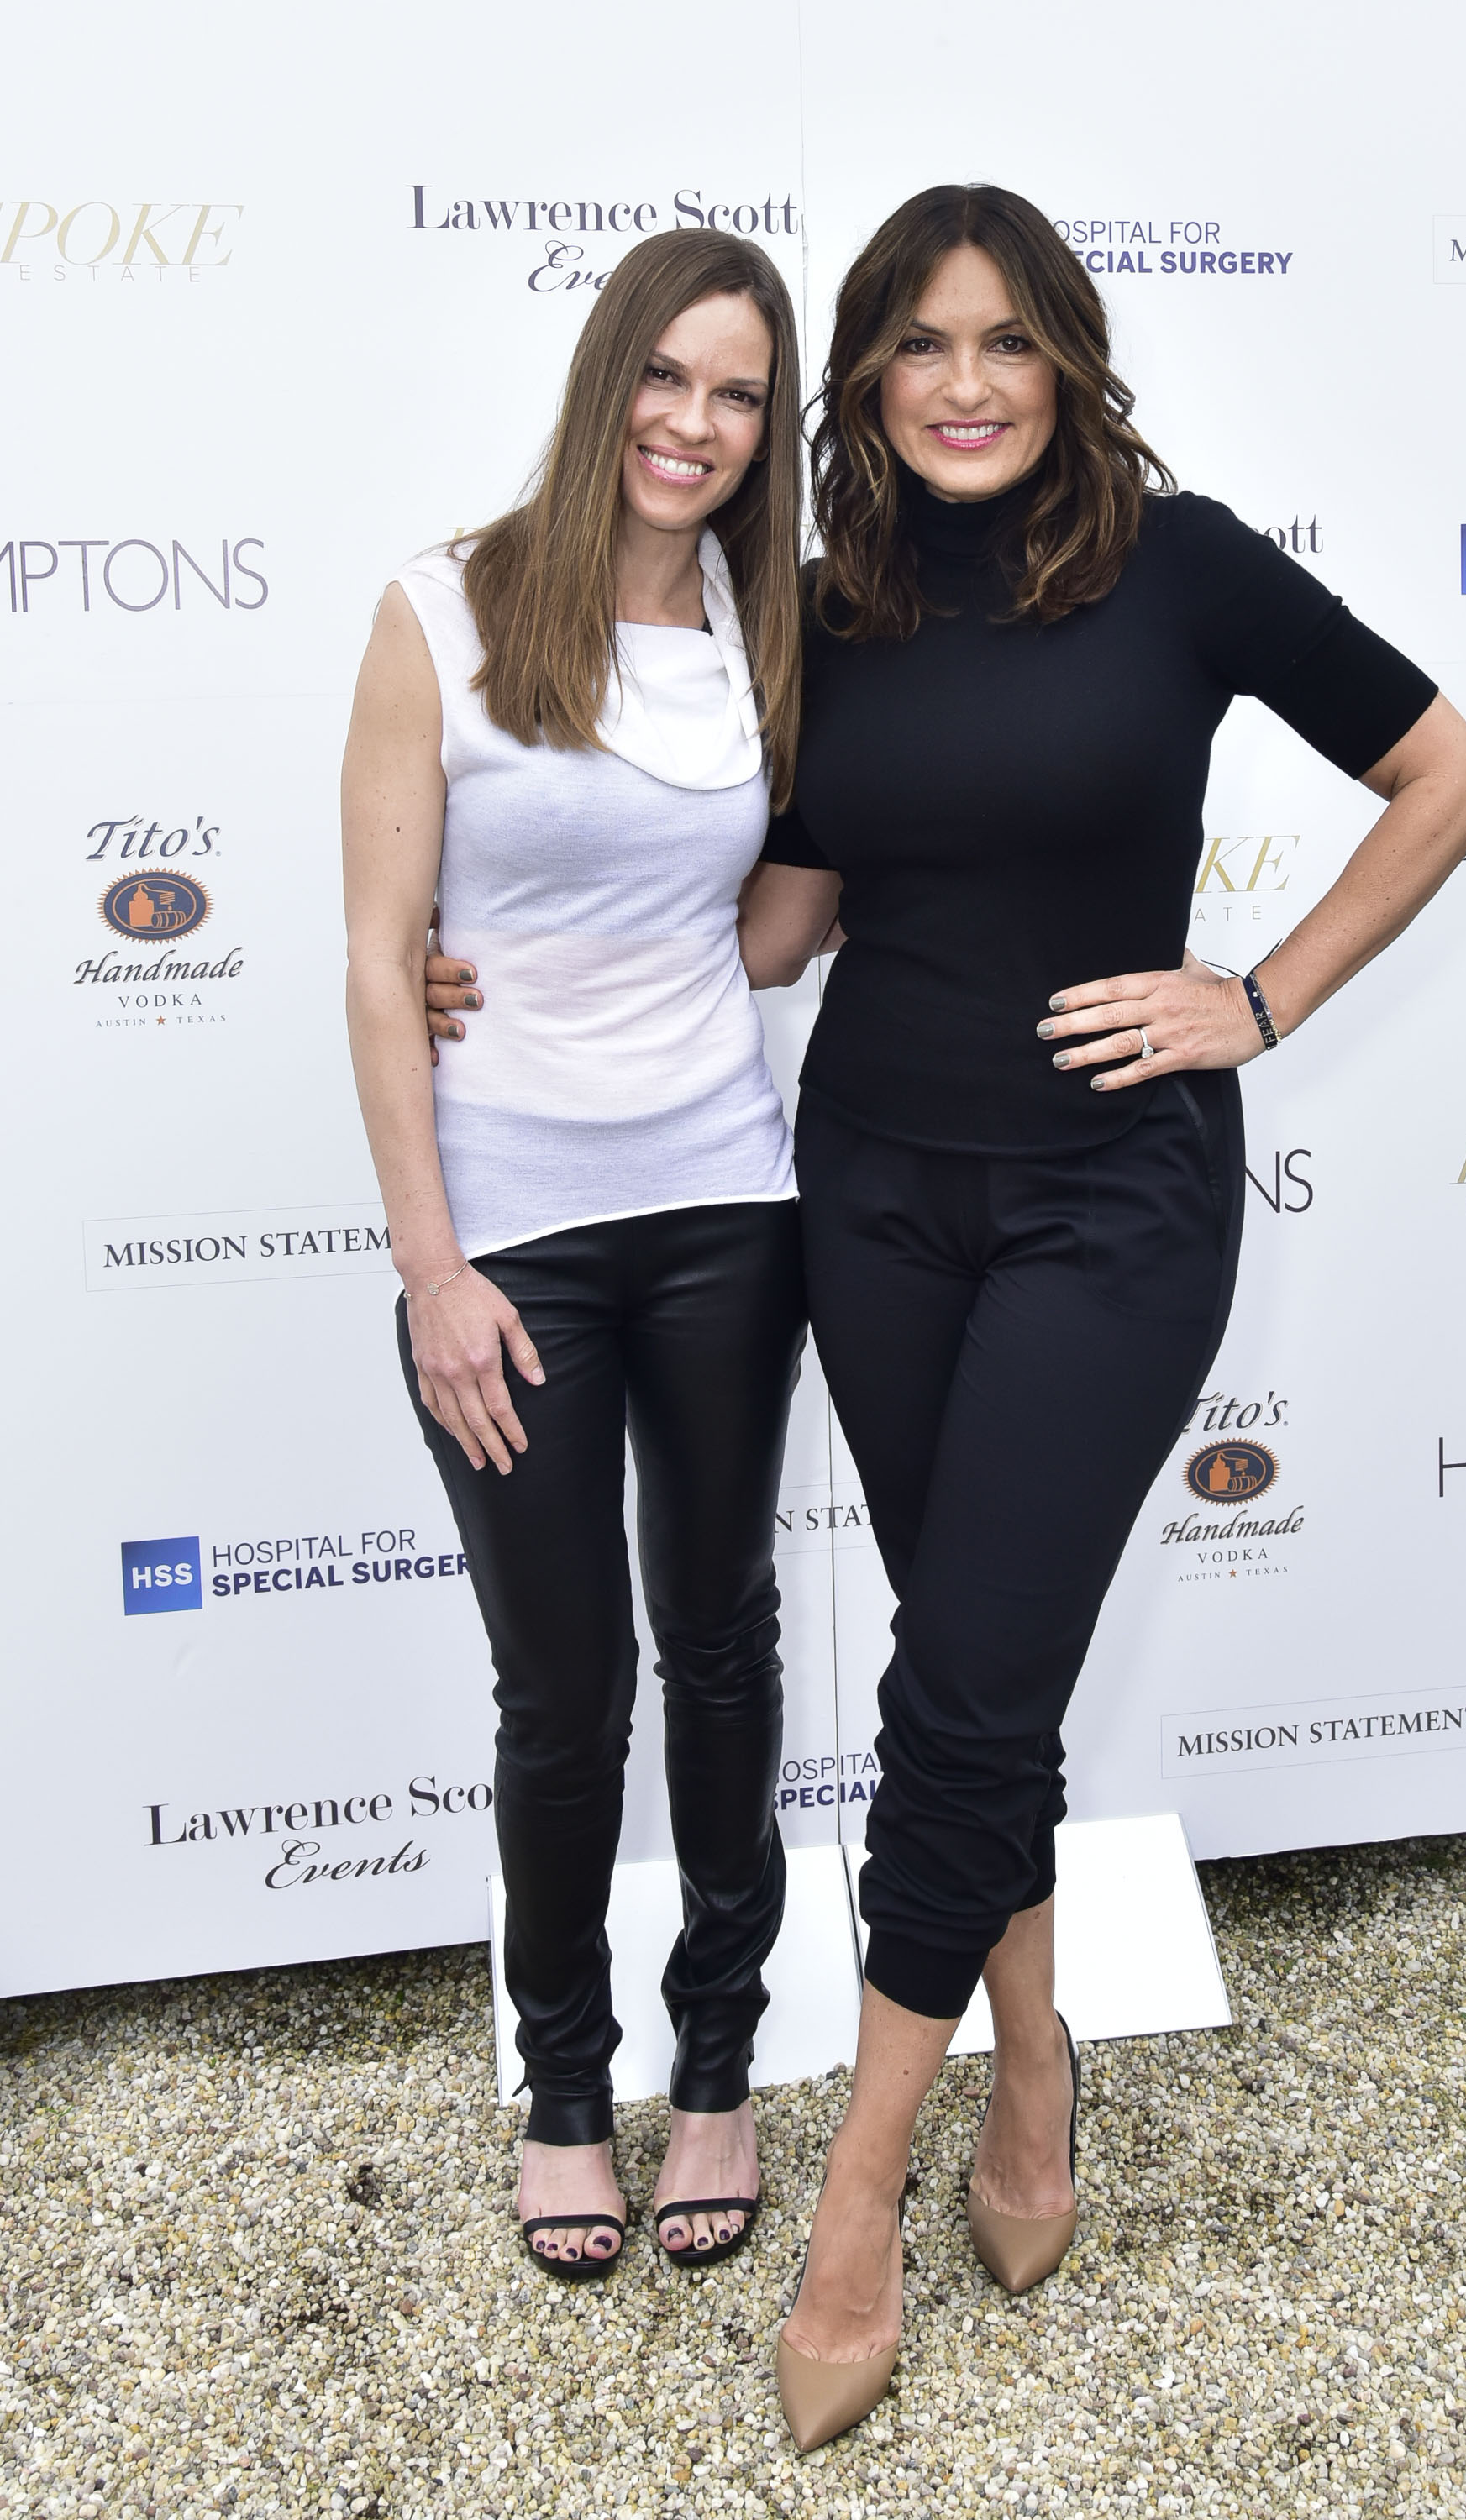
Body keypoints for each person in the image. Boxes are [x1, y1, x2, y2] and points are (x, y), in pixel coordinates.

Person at [423, 182, 1466, 2435]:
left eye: (1007, 341)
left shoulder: (1180, 566)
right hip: (875, 1203)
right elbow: (763, 922)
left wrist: (1258, 997)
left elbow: (1450, 774)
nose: (964, 383)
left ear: (1067, 362)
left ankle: (857, 2197)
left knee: (964, 1682)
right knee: (973, 1690)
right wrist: (484, 961)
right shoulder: (829, 612)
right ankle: (1030, 2055)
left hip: (1113, 1203)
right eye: (918, 344)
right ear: (862, 385)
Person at [342, 228, 825, 2279]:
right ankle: (562, 2089)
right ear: (607, 372)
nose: (693, 425)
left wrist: (706, 960)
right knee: (563, 1693)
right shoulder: (440, 615)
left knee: (720, 1647)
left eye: (738, 395)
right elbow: (380, 963)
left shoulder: (771, 629)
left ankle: (716, 2067)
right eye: (668, 375)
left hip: (724, 1209)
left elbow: (779, 920)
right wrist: (434, 1272)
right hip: (511, 1247)